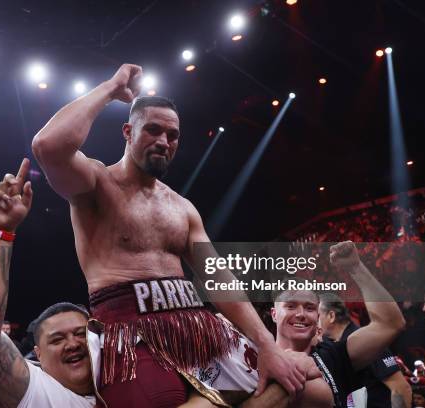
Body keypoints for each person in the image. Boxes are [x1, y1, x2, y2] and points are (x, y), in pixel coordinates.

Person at [32, 63, 304, 406]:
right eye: (153, 130)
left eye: (172, 135)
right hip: (129, 333)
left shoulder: (182, 207)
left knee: (296, 377)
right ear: (128, 131)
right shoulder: (96, 184)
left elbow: (219, 280)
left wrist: (266, 344)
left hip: (196, 325)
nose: (163, 141)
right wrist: (110, 88)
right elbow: (48, 145)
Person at [0, 159, 102, 407]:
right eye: (57, 339)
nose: (73, 344)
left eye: (81, 334)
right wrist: (0, 231)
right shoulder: (36, 391)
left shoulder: (130, 380)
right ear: (38, 355)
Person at [270, 241, 406, 408]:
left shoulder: (333, 355)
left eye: (309, 307)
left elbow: (390, 324)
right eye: (290, 306)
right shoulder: (255, 359)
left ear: (318, 316)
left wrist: (355, 268)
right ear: (274, 314)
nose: (301, 314)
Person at [319, 292, 412, 408]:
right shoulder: (333, 345)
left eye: (318, 316)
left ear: (331, 316)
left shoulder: (364, 342)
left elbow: (401, 388)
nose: (314, 320)